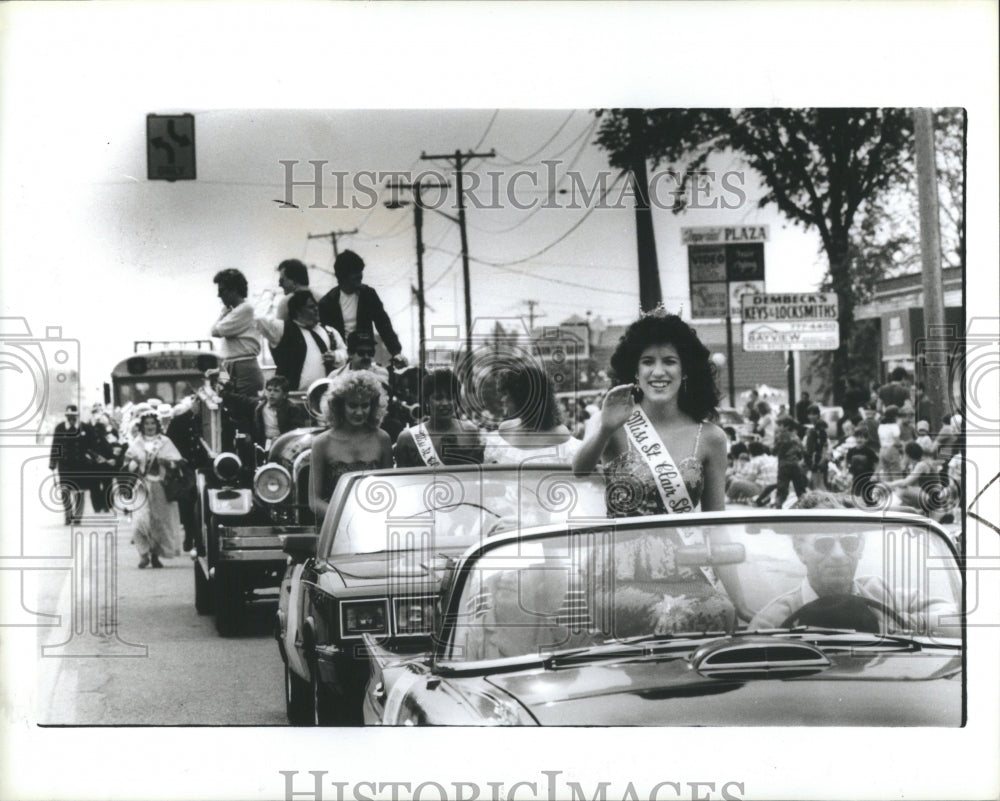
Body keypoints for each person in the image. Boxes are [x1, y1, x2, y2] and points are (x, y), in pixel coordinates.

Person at [573, 310, 750, 626]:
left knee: (720, 614)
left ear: (685, 371)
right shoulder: (612, 423)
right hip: (618, 570)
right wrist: (604, 428)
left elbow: (717, 526)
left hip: (681, 566)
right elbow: (579, 471)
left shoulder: (710, 437)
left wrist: (738, 600)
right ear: (634, 370)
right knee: (668, 617)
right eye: (647, 361)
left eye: (669, 360)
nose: (658, 371)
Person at [749, 492, 957, 633]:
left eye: (849, 543)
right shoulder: (772, 620)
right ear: (799, 550)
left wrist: (887, 625)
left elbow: (957, 618)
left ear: (861, 547)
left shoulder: (881, 593)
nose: (838, 555)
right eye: (824, 544)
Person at [309, 370, 393, 523]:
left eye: (365, 405)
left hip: (374, 524)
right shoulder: (322, 443)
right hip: (334, 527)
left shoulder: (382, 439)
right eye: (353, 405)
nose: (359, 412)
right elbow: (314, 501)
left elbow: (389, 491)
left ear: (374, 406)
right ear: (339, 405)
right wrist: (346, 518)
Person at [317, 249, 407, 369]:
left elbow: (383, 324)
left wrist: (396, 352)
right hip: (340, 360)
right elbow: (325, 335)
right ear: (343, 275)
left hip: (364, 354)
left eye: (360, 271)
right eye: (355, 272)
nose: (360, 276)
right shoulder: (327, 302)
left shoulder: (368, 295)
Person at [483, 365, 583, 466]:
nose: (503, 400)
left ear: (524, 399)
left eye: (507, 395)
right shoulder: (503, 433)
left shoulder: (565, 442)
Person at [124, 410, 186, 568]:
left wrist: (166, 462)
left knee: (158, 522)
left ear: (157, 425)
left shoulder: (165, 442)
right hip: (142, 487)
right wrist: (135, 463)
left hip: (160, 486)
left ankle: (155, 554)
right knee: (140, 521)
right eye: (146, 424)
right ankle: (143, 553)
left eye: (152, 423)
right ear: (142, 426)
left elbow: (178, 463)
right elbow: (127, 466)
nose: (150, 427)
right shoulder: (136, 443)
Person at [394, 369, 484, 467]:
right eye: (438, 398)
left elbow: (476, 475)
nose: (445, 403)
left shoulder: (470, 432)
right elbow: (403, 479)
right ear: (427, 400)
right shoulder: (408, 438)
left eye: (450, 398)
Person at [269, 289, 347, 390]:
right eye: (311, 307)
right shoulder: (282, 329)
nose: (316, 309)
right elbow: (260, 320)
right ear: (298, 311)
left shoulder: (329, 331)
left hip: (324, 395)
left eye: (316, 305)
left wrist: (335, 356)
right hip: (292, 396)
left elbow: (345, 352)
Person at [211, 268, 265, 398]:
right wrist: (224, 313)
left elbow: (216, 331)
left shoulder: (245, 309)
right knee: (227, 402)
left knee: (243, 408)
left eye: (222, 291)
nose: (219, 295)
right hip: (229, 364)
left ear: (234, 290)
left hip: (243, 367)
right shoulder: (235, 312)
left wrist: (224, 313)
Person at [48, 405, 97, 524]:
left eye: (73, 416)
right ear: (66, 416)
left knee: (79, 491)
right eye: (69, 416)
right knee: (65, 490)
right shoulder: (60, 428)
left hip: (81, 465)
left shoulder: (85, 428)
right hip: (65, 465)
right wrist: (53, 461)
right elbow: (56, 446)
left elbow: (93, 445)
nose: (71, 419)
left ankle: (78, 517)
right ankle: (68, 515)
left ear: (77, 416)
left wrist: (91, 456)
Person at [252, 375, 310, 447]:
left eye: (276, 391)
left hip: (285, 444)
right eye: (269, 390)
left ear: (284, 395)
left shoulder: (292, 409)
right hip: (265, 443)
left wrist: (280, 439)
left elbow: (296, 432)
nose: (271, 393)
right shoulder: (260, 408)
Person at [887, 442, 942, 515]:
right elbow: (912, 485)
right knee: (902, 492)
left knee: (902, 490)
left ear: (908, 456)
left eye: (904, 455)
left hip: (932, 498)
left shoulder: (922, 465)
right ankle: (915, 512)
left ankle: (887, 510)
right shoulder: (923, 462)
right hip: (932, 497)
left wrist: (889, 484)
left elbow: (905, 482)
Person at [765, 416, 808, 508]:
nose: (778, 427)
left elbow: (774, 451)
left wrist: (769, 447)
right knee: (800, 489)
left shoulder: (780, 436)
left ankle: (778, 507)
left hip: (784, 465)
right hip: (796, 465)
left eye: (780, 425)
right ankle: (805, 508)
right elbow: (802, 451)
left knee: (782, 489)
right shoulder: (796, 437)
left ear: (787, 426)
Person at [845, 427, 880, 506]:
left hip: (867, 478)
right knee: (855, 498)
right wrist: (846, 472)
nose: (859, 440)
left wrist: (875, 475)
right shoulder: (851, 451)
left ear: (866, 439)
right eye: (857, 437)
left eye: (861, 437)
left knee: (868, 499)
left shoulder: (869, 451)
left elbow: (878, 463)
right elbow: (846, 461)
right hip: (855, 478)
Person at [877, 404, 904, 480]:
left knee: (886, 472)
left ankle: (887, 489)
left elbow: (880, 440)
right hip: (892, 449)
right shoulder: (894, 426)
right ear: (895, 416)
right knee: (896, 472)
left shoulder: (881, 426)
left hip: (882, 449)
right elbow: (897, 442)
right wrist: (902, 448)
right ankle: (897, 490)